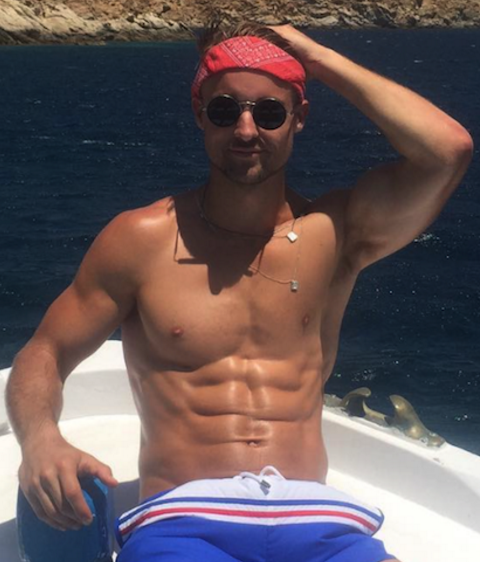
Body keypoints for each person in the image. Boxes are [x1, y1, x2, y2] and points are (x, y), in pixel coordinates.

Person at [6, 21, 472, 562]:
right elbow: (45, 351)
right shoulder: (141, 240)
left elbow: (447, 150)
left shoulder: (335, 234)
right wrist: (40, 439)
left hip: (315, 518)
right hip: (185, 518)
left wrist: (319, 60)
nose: (246, 130)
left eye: (270, 112)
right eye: (225, 110)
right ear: (200, 113)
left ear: (299, 117)